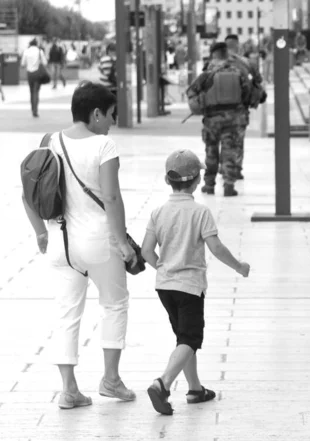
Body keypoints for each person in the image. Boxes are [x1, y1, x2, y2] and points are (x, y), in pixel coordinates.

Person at [21, 82, 137, 409]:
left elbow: (28, 191)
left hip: (61, 243)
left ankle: (69, 389)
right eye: (111, 115)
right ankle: (111, 380)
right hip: (99, 242)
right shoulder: (104, 145)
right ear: (96, 113)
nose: (113, 122)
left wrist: (40, 233)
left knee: (66, 313)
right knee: (114, 305)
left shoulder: (48, 141)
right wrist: (122, 242)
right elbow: (111, 197)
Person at [142, 149, 250, 415]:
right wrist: (239, 266)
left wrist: (164, 269)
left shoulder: (158, 212)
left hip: (165, 287)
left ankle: (195, 388)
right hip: (189, 287)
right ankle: (162, 384)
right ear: (197, 180)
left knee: (183, 337)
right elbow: (216, 247)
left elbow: (146, 251)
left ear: (169, 181)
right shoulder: (200, 212)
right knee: (190, 338)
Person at [189, 42, 251, 196]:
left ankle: (209, 185)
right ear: (226, 54)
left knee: (211, 152)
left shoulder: (207, 72)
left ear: (213, 54)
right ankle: (229, 185)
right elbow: (247, 93)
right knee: (229, 151)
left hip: (212, 120)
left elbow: (192, 91)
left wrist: (201, 103)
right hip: (233, 119)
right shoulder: (238, 71)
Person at [225, 34, 264, 181]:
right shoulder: (246, 63)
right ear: (237, 45)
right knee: (238, 141)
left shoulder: (214, 64)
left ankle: (224, 167)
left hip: (217, 112)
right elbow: (258, 81)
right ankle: (236, 168)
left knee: (224, 140)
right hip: (240, 110)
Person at [21, 38, 48, 118]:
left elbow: (22, 63)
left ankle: (32, 109)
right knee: (36, 92)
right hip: (37, 73)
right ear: (36, 44)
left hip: (29, 73)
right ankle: (35, 110)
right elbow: (45, 62)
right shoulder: (39, 51)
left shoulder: (26, 51)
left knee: (31, 91)